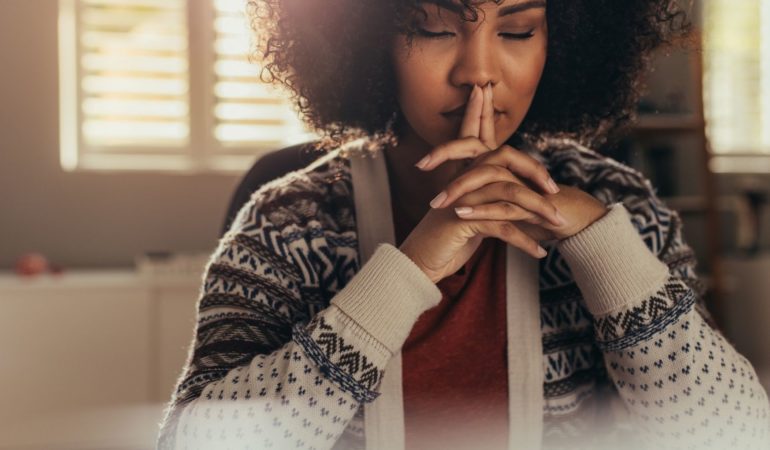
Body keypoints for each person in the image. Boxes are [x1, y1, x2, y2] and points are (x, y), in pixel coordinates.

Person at [156, 1, 770, 449]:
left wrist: (603, 248)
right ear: (369, 39)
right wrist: (409, 270)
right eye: (433, 28)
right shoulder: (292, 224)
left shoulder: (618, 204)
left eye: (517, 30)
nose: (478, 71)